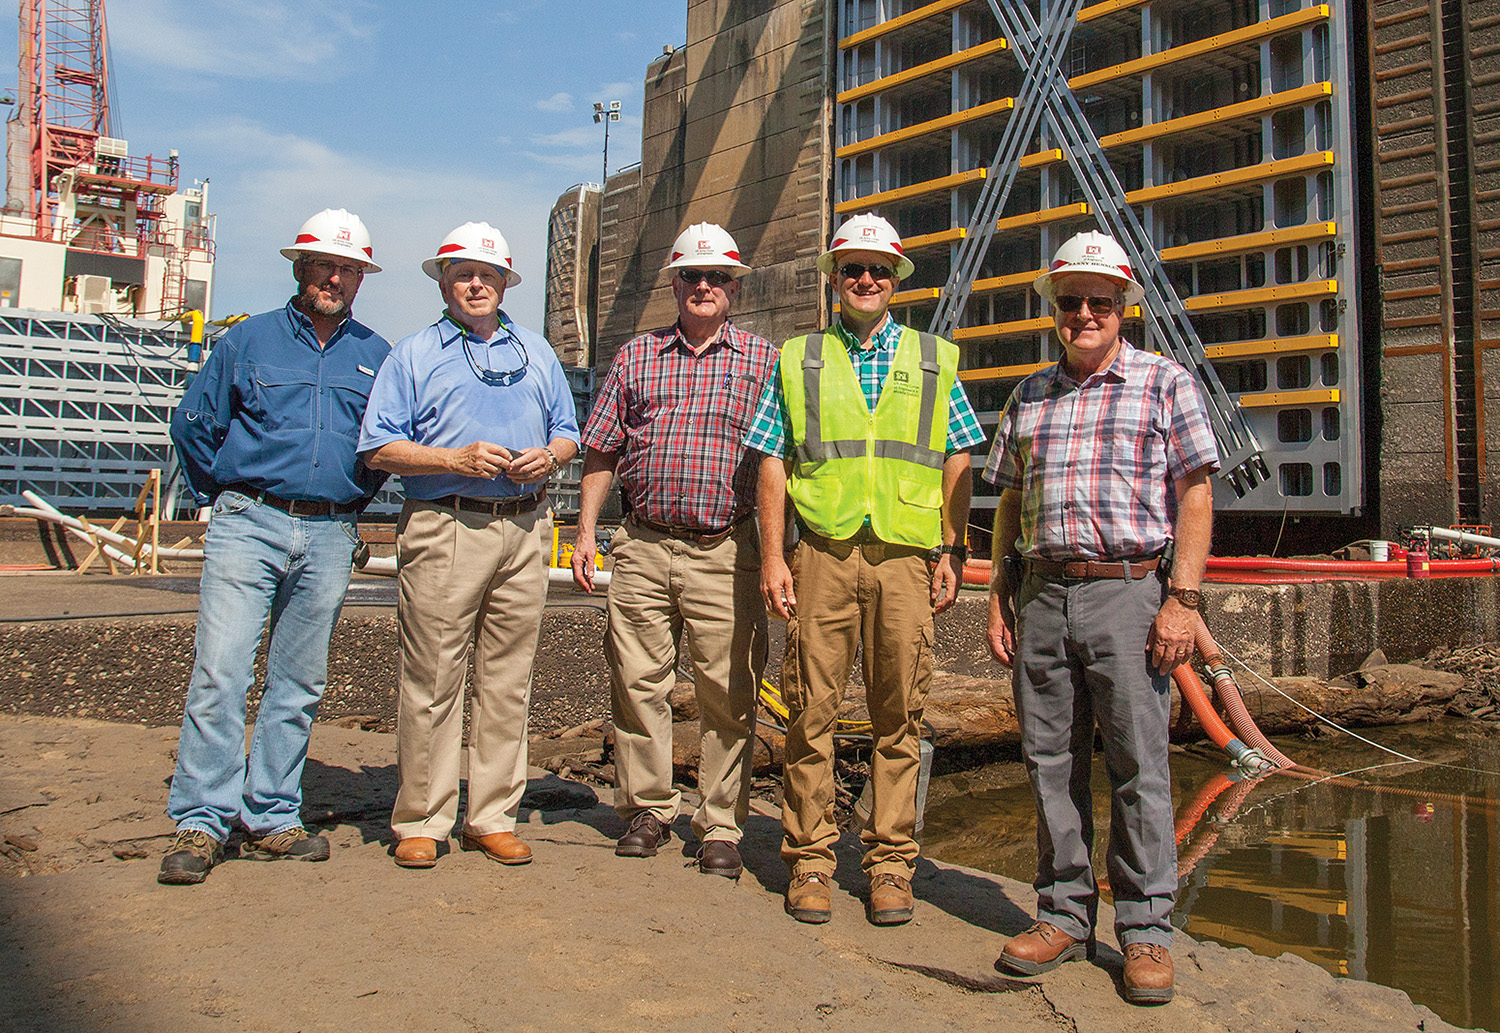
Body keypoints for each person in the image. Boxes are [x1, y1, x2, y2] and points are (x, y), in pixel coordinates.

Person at [983, 230, 1218, 1004]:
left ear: (1123, 308)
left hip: (1129, 591)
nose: (1084, 314)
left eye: (1099, 302)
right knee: (1049, 760)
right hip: (1042, 591)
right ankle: (1062, 913)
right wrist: (999, 593)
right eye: (1071, 301)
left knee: (1138, 765)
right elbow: (1009, 498)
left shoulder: (1164, 384)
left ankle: (1146, 930)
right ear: (1055, 308)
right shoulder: (1029, 395)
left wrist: (1182, 599)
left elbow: (1195, 493)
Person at [748, 213, 983, 925]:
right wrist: (773, 555)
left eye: (879, 269)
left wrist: (953, 548)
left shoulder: (935, 359)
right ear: (834, 278)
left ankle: (889, 867)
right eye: (853, 268)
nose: (866, 279)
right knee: (809, 714)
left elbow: (960, 457)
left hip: (906, 558)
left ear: (896, 280)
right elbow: (772, 460)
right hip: (822, 553)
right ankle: (811, 861)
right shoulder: (798, 358)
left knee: (899, 715)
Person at [159, 208, 390, 885]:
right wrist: (226, 497)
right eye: (326, 265)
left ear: (361, 278)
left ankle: (271, 813)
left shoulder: (375, 355)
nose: (336, 278)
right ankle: (202, 820)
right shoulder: (248, 340)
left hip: (330, 532)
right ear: (301, 268)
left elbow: (380, 448)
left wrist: (348, 504)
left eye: (349, 269)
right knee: (221, 671)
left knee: (298, 682)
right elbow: (194, 424)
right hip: (249, 520)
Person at [359, 222, 580, 870]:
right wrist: (451, 458)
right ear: (444, 283)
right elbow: (378, 446)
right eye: (464, 275)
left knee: (508, 680)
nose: (476, 284)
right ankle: (422, 819)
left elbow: (568, 430)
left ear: (505, 283)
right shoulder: (413, 355)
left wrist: (550, 456)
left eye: (487, 275)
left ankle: (491, 816)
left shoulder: (536, 352)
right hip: (446, 524)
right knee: (433, 677)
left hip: (525, 527)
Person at [572, 223, 778, 878]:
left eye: (717, 277)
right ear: (674, 283)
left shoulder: (764, 361)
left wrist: (780, 553)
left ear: (734, 287)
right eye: (692, 275)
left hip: (726, 548)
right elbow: (601, 448)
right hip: (643, 543)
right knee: (637, 683)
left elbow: (780, 464)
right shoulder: (636, 357)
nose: (703, 286)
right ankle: (646, 809)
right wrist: (585, 531)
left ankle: (720, 825)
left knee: (729, 691)